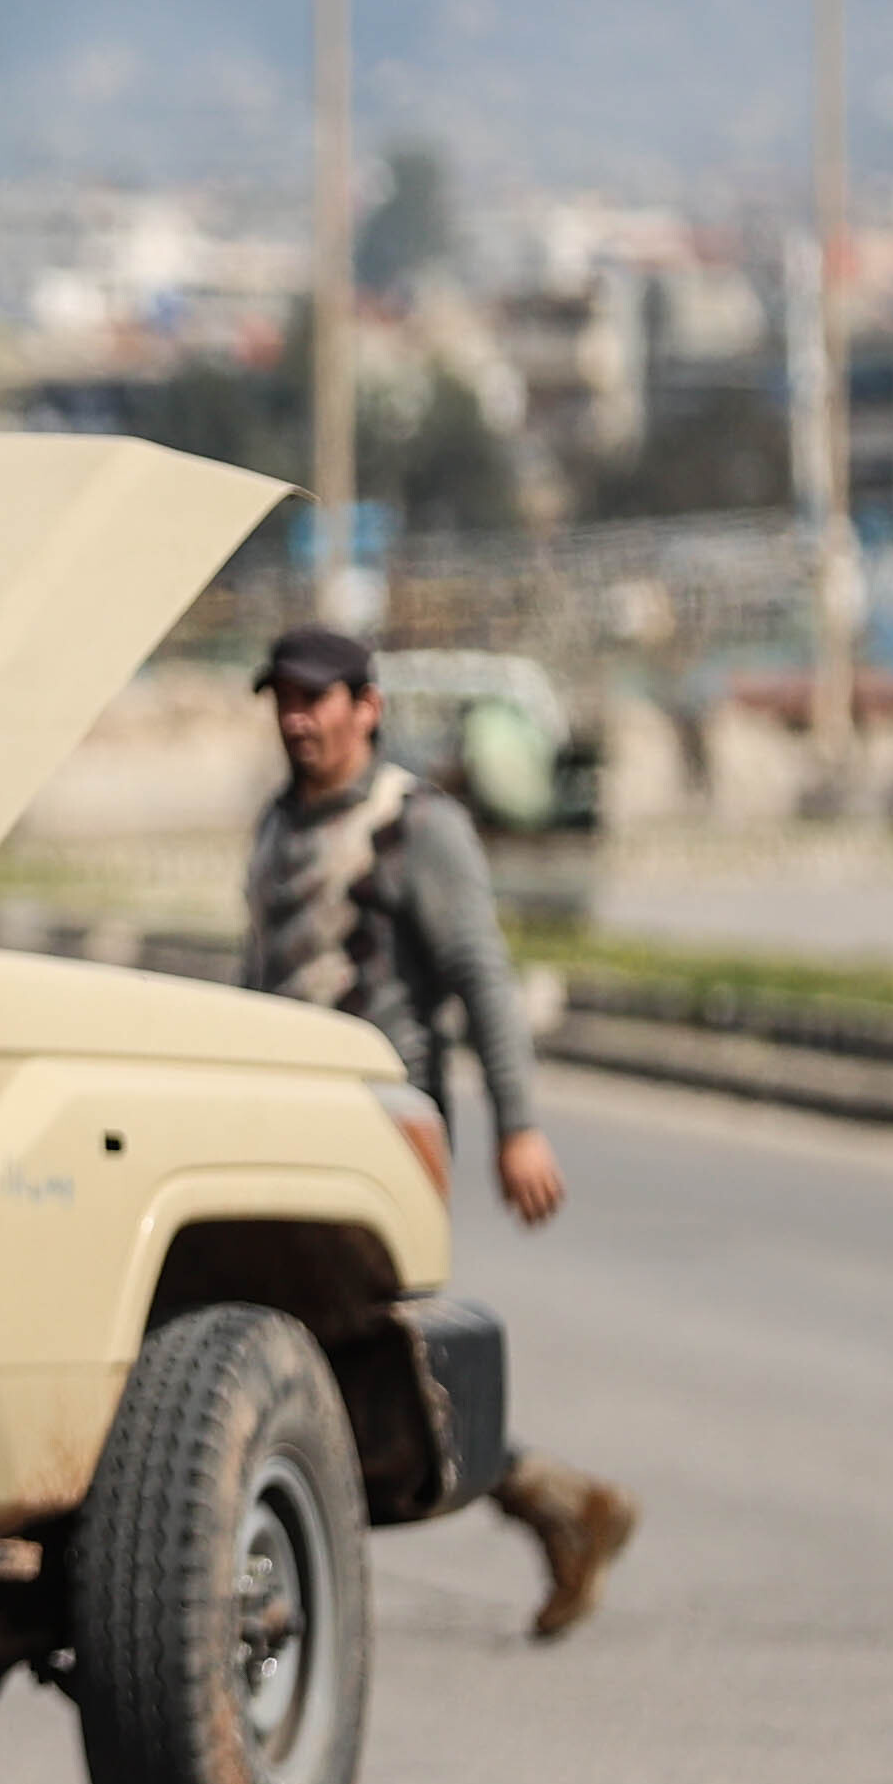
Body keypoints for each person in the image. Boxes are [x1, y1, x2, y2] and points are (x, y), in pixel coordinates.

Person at [241, 622, 642, 1642]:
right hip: (285, 1131)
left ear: (367, 708)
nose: (297, 719)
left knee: (340, 1355)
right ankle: (553, 1502)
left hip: (381, 1135)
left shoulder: (416, 827)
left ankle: (297, 1579)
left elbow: (483, 981)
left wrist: (520, 1128)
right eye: (284, 700)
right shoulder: (278, 825)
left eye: (316, 700)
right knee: (339, 1357)